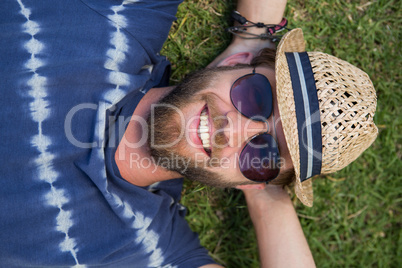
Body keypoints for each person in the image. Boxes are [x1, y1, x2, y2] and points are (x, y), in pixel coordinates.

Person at [0, 0, 377, 267]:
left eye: (262, 152)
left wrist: (268, 195)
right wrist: (253, 36)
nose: (234, 129)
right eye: (256, 95)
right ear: (239, 65)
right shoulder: (120, 16)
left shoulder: (144, 247)